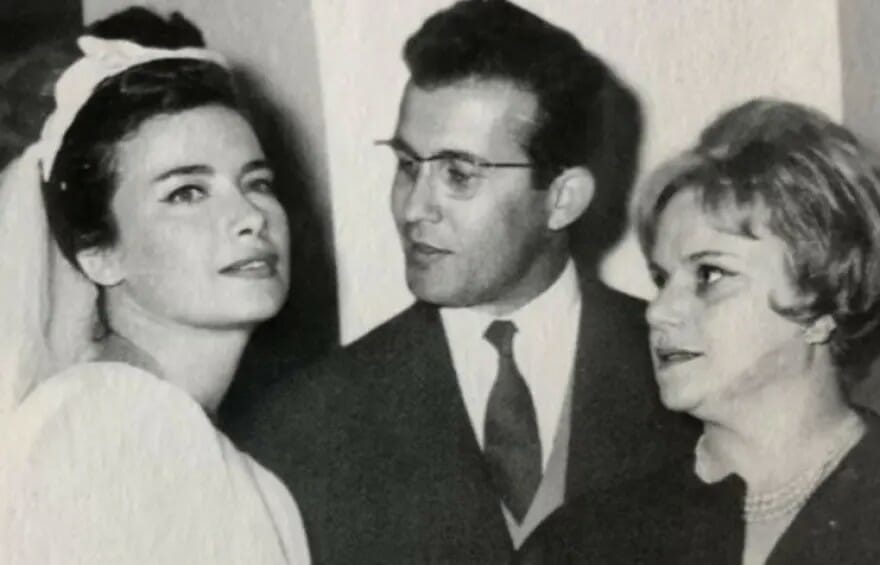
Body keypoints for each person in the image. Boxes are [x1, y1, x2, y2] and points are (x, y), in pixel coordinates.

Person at [224, 1, 697, 563]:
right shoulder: (305, 422)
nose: (413, 207)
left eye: (458, 174)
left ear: (563, 199)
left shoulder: (694, 371)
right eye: (407, 165)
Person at [0, 8, 310, 564]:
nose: (249, 216)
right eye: (187, 192)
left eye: (258, 182)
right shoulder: (104, 421)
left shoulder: (259, 483)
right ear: (99, 255)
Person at [516, 99, 880, 564]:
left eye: (709, 275)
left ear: (824, 301)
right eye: (661, 280)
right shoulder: (582, 543)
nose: (658, 312)